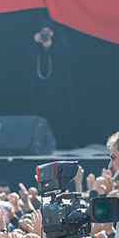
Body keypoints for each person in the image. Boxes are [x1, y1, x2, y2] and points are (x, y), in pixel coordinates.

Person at [29, 19, 76, 148]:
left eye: (48, 31)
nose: (45, 34)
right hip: (41, 88)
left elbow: (64, 58)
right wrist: (36, 44)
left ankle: (63, 142)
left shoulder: (61, 44)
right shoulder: (36, 45)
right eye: (43, 31)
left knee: (59, 113)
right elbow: (29, 59)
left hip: (58, 87)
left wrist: (51, 47)